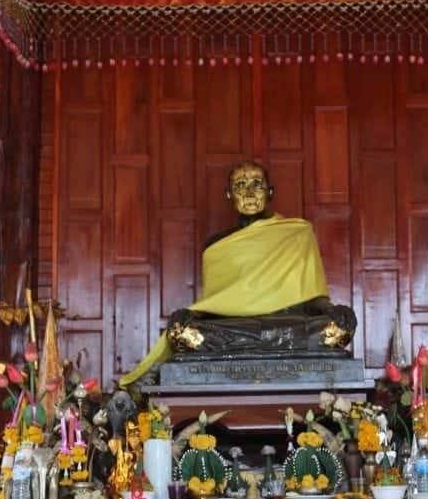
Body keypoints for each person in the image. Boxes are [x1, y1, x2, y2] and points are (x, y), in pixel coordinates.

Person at [119, 161, 356, 385]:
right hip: (237, 326)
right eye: (240, 186)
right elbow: (217, 304)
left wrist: (333, 310)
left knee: (338, 328)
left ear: (270, 192)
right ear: (229, 195)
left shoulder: (297, 233)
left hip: (287, 320)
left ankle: (261, 343)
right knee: (182, 333)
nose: (250, 193)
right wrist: (189, 315)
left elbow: (312, 294)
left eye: (257, 184)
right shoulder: (216, 245)